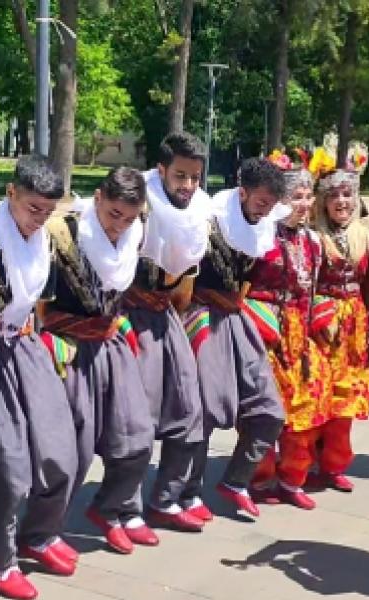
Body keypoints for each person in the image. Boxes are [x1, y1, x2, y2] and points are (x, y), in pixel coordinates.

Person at [0, 155, 80, 600]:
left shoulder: (43, 237)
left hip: (26, 344)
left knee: (60, 449)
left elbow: (41, 300)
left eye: (47, 212)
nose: (40, 219)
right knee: (10, 466)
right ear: (10, 193)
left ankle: (42, 534)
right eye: (33, 208)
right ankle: (2, 558)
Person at [42, 168, 156, 554]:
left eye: (128, 217)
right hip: (68, 348)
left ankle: (110, 509)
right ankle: (42, 533)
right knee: (74, 447)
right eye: (112, 215)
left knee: (137, 433)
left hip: (110, 342)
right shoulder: (62, 234)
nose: (119, 226)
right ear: (98, 199)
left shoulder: (135, 233)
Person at [178, 158, 290, 518]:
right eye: (261, 203)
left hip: (236, 316)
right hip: (201, 313)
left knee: (270, 409)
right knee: (206, 408)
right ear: (242, 193)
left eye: (272, 205)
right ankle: (185, 492)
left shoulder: (263, 224)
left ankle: (236, 479)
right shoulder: (209, 221)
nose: (266, 211)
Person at [131, 133, 212, 531]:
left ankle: (167, 497)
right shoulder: (136, 204)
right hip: (131, 318)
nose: (188, 186)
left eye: (196, 177)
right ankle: (123, 509)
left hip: (168, 315)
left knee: (189, 408)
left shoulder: (199, 209)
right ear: (160, 170)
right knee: (137, 419)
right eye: (180, 176)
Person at [244, 166, 330, 508]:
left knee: (306, 408)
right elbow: (244, 287)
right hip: (265, 334)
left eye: (309, 196)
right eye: (297, 197)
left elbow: (315, 287)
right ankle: (259, 478)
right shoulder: (260, 237)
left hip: (301, 337)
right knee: (265, 409)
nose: (305, 204)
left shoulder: (312, 241)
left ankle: (293, 478)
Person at [304, 167, 369, 502]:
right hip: (320, 327)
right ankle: (301, 464)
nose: (341, 201)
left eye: (347, 195)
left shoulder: (365, 237)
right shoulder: (311, 236)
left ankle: (334, 466)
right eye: (334, 195)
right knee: (314, 395)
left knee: (345, 399)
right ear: (322, 202)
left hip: (354, 329)